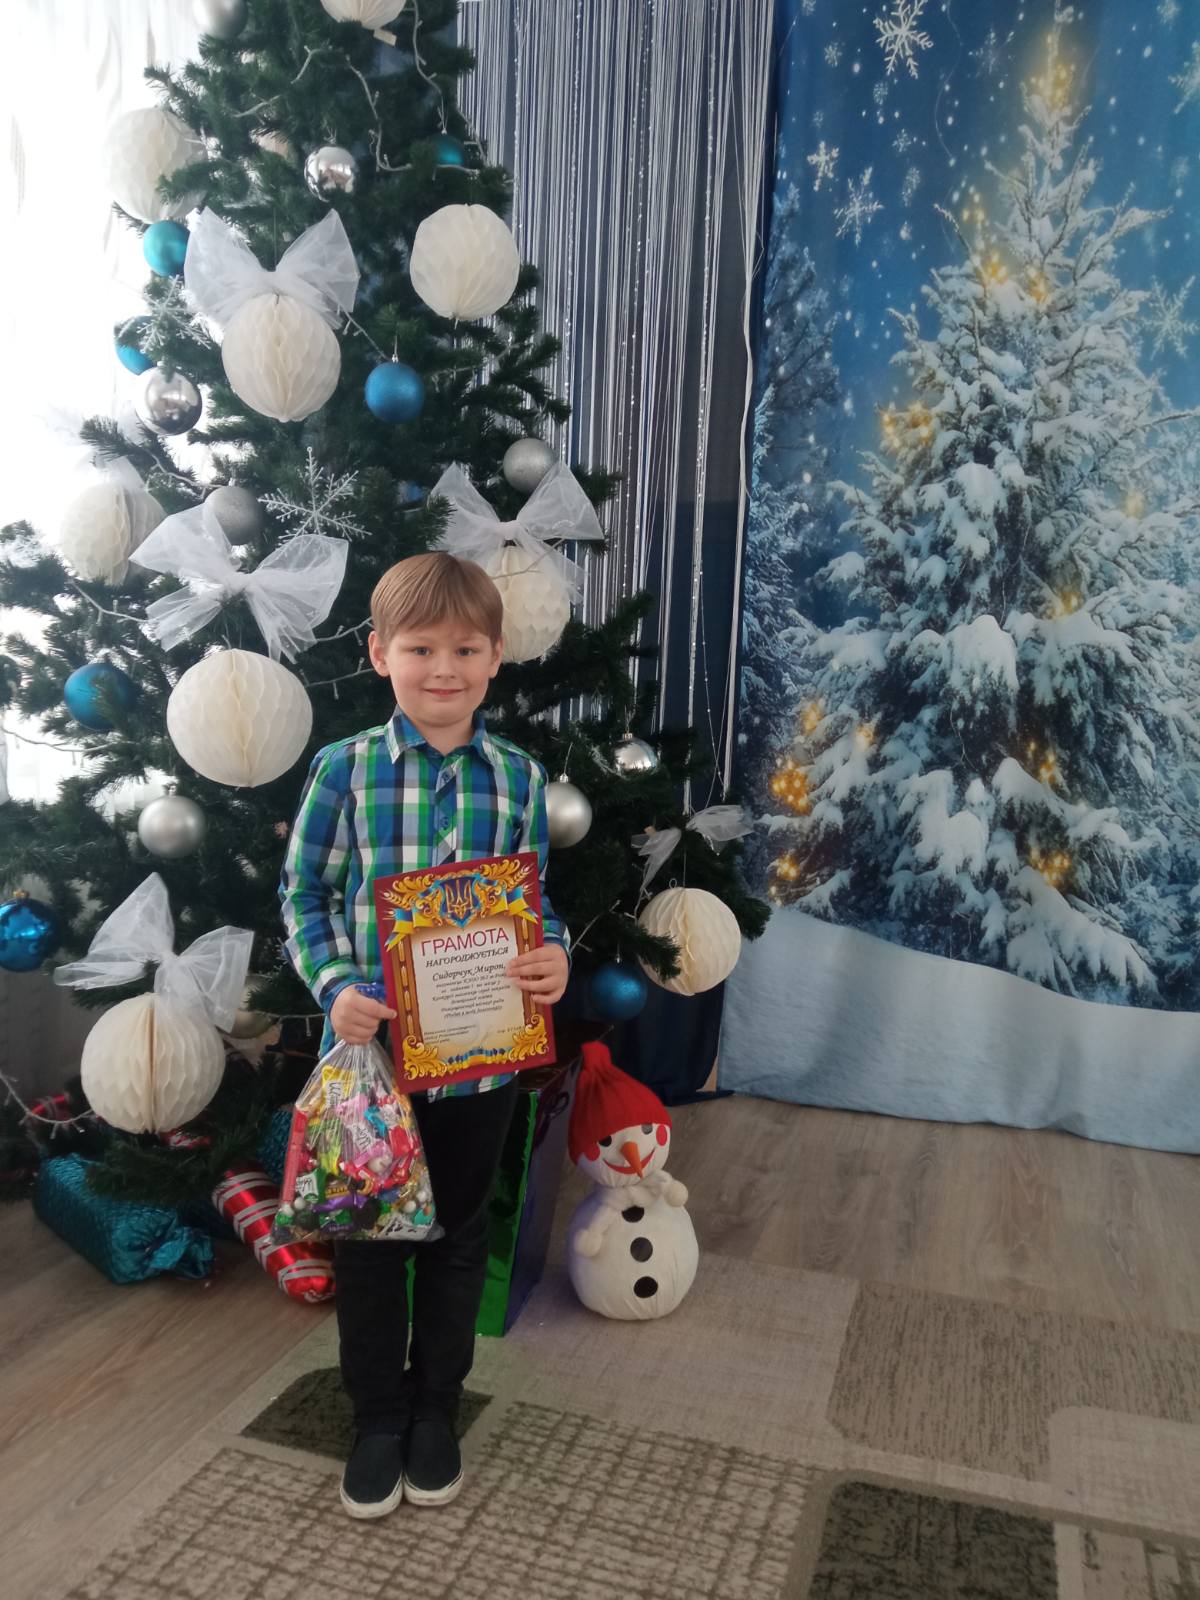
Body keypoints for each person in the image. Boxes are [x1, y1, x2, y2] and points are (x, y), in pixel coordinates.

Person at [280, 551, 570, 1519]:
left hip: (480, 1063)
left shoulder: (519, 777)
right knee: (369, 1243)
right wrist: (333, 987)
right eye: (420, 648)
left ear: (495, 658)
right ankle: (376, 1418)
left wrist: (554, 957)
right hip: (373, 1066)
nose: (443, 668)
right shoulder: (344, 770)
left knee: (456, 1235)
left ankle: (437, 1409)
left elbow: (536, 905)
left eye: (465, 649)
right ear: (380, 654)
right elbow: (303, 895)